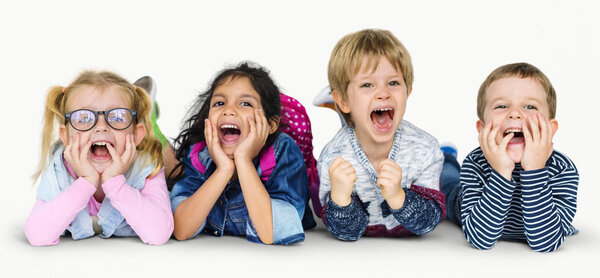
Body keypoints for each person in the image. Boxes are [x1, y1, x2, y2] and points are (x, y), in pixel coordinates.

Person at [318, 29, 445, 241]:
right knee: (313, 188)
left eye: (394, 83)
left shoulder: (425, 150)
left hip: (437, 171)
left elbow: (428, 224)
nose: (383, 93)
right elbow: (347, 232)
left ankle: (449, 157)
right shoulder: (333, 157)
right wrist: (340, 199)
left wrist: (398, 197)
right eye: (367, 85)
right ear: (343, 101)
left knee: (450, 181)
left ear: (408, 91)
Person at [25, 71, 173, 246]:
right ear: (65, 136)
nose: (101, 127)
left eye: (117, 117)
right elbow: (37, 235)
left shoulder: (146, 167)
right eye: (84, 118)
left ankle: (151, 121)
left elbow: (159, 233)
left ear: (135, 134)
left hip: (156, 153)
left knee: (175, 166)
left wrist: (115, 184)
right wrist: (86, 182)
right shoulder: (59, 171)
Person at [442, 62, 579, 252]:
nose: (515, 113)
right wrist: (501, 171)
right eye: (502, 105)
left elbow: (546, 243)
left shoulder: (562, 170)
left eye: (530, 106)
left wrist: (535, 170)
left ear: (550, 129)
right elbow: (480, 239)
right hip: (459, 203)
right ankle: (447, 157)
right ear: (482, 129)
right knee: (446, 184)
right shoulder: (476, 163)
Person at [169, 62, 309, 245]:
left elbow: (269, 233)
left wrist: (243, 160)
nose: (228, 110)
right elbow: (182, 230)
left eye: (245, 104)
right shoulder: (199, 154)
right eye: (219, 103)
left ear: (270, 125)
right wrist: (223, 170)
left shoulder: (282, 151)